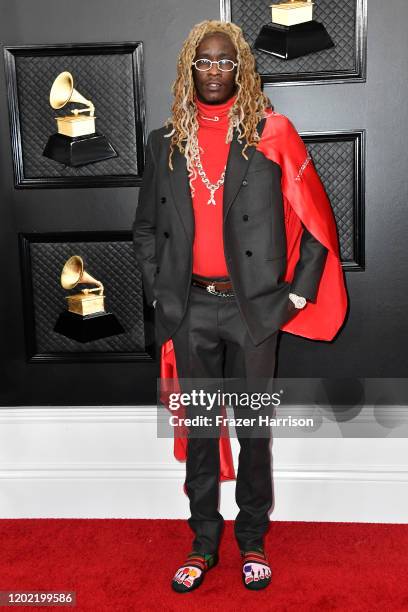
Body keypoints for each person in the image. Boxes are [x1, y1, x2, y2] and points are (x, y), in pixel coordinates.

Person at [132, 19, 347, 593]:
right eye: (205, 60)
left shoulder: (271, 133)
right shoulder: (164, 142)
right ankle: (203, 542)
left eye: (226, 61)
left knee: (253, 429)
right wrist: (159, 287)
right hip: (189, 309)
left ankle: (252, 539)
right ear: (189, 67)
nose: (215, 70)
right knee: (201, 428)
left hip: (253, 310)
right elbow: (146, 227)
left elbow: (317, 220)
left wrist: (297, 293)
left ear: (241, 68)